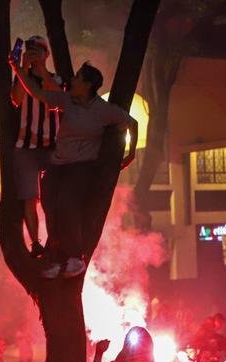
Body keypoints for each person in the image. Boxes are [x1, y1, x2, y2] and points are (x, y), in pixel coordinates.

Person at [10, 58, 138, 279]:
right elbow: (37, 93)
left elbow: (132, 123)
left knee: (67, 204)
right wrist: (17, 68)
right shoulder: (68, 100)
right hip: (57, 164)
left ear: (88, 85)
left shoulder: (103, 110)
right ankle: (55, 258)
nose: (72, 80)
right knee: (50, 206)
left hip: (81, 167)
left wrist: (131, 152)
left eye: (78, 78)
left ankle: (75, 256)